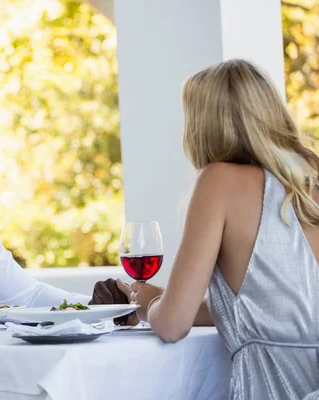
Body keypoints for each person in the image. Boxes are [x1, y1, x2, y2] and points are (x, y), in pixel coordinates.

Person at [127, 59, 319, 400]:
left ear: (204, 124)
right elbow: (274, 310)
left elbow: (172, 325)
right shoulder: (308, 183)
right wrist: (165, 296)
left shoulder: (220, 180)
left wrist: (148, 308)